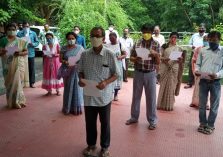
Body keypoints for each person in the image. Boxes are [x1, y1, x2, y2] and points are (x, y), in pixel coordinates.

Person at [78, 26, 120, 157]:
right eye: (92, 36)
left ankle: (105, 147)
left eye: (97, 36)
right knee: (90, 123)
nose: (94, 38)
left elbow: (116, 74)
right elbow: (80, 71)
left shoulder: (110, 54)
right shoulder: (85, 54)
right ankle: (91, 145)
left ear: (103, 38)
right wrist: (80, 80)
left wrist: (106, 82)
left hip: (104, 96)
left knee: (105, 123)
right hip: (89, 94)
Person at [125, 24, 160, 130]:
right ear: (142, 32)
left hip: (150, 73)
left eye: (148, 32)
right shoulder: (137, 43)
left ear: (152, 32)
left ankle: (152, 120)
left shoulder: (156, 44)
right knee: (136, 96)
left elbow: (158, 62)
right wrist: (136, 59)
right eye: (144, 32)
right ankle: (134, 117)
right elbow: (131, 57)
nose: (146, 34)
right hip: (138, 72)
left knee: (151, 98)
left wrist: (156, 55)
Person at [195, 31, 223, 135]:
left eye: (214, 40)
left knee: (214, 105)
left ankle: (210, 125)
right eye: (210, 39)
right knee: (202, 104)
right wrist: (197, 71)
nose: (212, 41)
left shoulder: (222, 51)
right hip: (203, 81)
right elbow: (198, 64)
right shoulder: (203, 50)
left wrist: (217, 75)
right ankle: (202, 123)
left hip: (215, 82)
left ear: (219, 40)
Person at [0, 23, 28, 109]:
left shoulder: (21, 40)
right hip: (7, 66)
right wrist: (4, 52)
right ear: (6, 30)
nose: (11, 31)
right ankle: (11, 102)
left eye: (13, 29)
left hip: (18, 64)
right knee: (10, 84)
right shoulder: (3, 40)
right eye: (9, 29)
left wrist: (19, 53)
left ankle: (19, 101)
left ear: (16, 30)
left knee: (18, 83)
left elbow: (26, 52)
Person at [157, 32, 185, 111]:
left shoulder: (179, 48)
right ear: (169, 38)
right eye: (172, 37)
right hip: (165, 67)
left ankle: (169, 104)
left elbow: (181, 61)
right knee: (163, 85)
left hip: (174, 68)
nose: (173, 39)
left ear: (177, 39)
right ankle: (160, 104)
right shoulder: (164, 46)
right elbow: (159, 56)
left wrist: (180, 60)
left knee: (172, 86)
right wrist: (164, 60)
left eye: (175, 38)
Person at [58, 32, 84, 115]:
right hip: (67, 71)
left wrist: (78, 62)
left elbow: (83, 59)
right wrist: (65, 61)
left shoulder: (80, 48)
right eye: (69, 39)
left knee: (77, 89)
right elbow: (60, 59)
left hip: (76, 71)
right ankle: (67, 107)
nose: (71, 40)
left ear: (75, 39)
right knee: (68, 88)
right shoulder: (64, 48)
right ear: (67, 39)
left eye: (72, 38)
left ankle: (76, 108)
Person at [105, 32, 127, 101]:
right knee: (109, 78)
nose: (111, 40)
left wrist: (120, 57)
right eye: (110, 39)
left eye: (113, 38)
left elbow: (125, 54)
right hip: (109, 65)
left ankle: (116, 94)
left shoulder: (120, 45)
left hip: (118, 64)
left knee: (117, 79)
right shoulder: (107, 45)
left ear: (116, 38)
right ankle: (109, 94)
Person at [17, 21, 39, 88]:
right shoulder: (19, 33)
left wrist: (33, 44)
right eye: (24, 26)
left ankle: (32, 82)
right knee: (22, 68)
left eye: (27, 26)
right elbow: (16, 42)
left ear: (29, 26)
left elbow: (37, 42)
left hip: (30, 53)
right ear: (22, 27)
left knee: (31, 68)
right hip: (22, 53)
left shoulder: (33, 33)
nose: (26, 28)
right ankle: (22, 83)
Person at [190, 35, 210, 109]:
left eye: (207, 39)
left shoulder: (211, 50)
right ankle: (194, 102)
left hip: (207, 70)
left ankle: (205, 104)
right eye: (204, 39)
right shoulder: (198, 49)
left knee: (206, 87)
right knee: (197, 87)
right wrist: (198, 62)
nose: (206, 40)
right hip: (198, 70)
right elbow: (193, 59)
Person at [184, 24, 207, 89]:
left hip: (204, 54)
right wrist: (192, 46)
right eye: (200, 28)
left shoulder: (207, 36)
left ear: (205, 29)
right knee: (191, 67)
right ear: (198, 29)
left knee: (203, 67)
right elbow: (189, 44)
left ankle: (201, 82)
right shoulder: (194, 35)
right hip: (194, 53)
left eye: (203, 28)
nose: (201, 29)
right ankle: (189, 83)